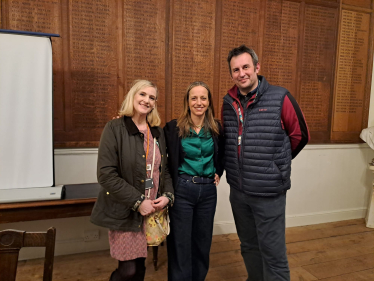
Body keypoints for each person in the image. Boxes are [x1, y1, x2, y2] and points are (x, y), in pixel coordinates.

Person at [221, 45, 310, 281]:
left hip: (268, 192)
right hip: (239, 192)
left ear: (257, 67)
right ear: (231, 74)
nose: (241, 73)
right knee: (249, 246)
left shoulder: (280, 97)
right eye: (236, 69)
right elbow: (227, 140)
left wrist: (275, 163)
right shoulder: (228, 102)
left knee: (273, 253)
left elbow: (300, 135)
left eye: (246, 67)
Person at [90, 80, 174, 281]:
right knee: (128, 270)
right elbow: (106, 174)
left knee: (139, 265)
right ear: (133, 96)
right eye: (142, 94)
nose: (147, 100)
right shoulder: (114, 128)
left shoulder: (157, 132)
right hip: (126, 211)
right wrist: (138, 202)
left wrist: (167, 196)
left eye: (152, 97)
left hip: (151, 212)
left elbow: (164, 171)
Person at [164, 81, 224, 281]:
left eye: (203, 98)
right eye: (194, 98)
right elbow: (150, 139)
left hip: (208, 192)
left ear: (209, 102)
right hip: (183, 189)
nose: (199, 102)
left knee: (202, 242)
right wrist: (124, 121)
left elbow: (223, 154)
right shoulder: (173, 128)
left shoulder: (216, 128)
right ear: (187, 102)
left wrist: (219, 171)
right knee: (180, 243)